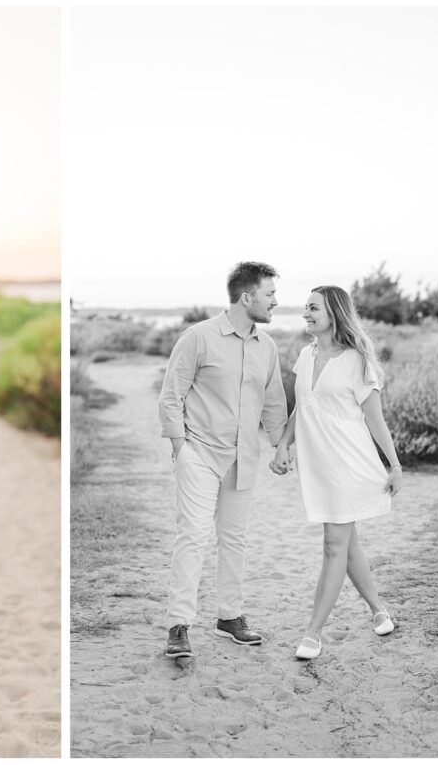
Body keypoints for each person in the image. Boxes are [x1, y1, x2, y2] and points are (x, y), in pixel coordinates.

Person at [157, 261, 288, 659]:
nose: (275, 302)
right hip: (199, 454)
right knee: (194, 536)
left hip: (243, 458)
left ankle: (229, 617)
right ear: (246, 297)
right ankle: (178, 626)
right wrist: (181, 447)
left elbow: (274, 404)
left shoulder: (267, 347)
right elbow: (171, 395)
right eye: (269, 294)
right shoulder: (199, 337)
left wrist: (281, 448)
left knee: (234, 539)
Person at [270, 285, 402, 661]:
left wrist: (394, 464)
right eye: (305, 308)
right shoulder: (306, 356)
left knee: (333, 545)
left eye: (313, 308)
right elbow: (303, 408)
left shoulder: (357, 361)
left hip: (349, 465)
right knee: (348, 545)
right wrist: (283, 444)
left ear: (334, 314)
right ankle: (379, 610)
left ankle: (312, 634)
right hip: (319, 468)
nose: (306, 314)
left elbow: (375, 420)